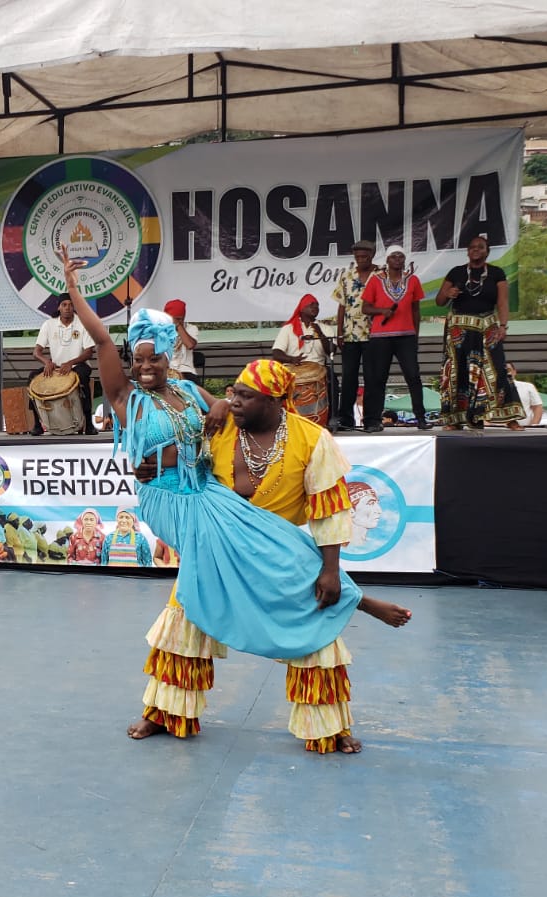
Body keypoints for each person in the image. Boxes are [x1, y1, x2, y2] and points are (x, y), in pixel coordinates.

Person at [53, 244, 376, 750]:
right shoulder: (124, 397)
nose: (144, 367)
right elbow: (99, 340)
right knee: (275, 554)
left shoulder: (184, 389)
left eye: (153, 357)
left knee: (200, 597)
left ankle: (177, 712)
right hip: (174, 499)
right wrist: (75, 288)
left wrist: (223, 407)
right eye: (137, 358)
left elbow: (224, 402)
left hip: (205, 491)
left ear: (168, 355)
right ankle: (363, 600)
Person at [197, 359, 413, 752]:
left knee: (318, 634)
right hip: (219, 551)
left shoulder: (312, 439)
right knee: (184, 619)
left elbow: (328, 511)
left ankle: (329, 727)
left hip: (278, 552)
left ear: (276, 401)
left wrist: (330, 571)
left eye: (245, 396)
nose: (235, 402)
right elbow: (172, 412)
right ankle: (162, 713)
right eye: (232, 394)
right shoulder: (219, 426)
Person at [437, 235, 524, 430]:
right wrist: (447, 293)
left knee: (497, 369)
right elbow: (439, 301)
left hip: (487, 326)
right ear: (467, 251)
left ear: (487, 251)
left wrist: (503, 326)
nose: (476, 250)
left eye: (480, 247)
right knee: (457, 372)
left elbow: (502, 302)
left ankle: (510, 418)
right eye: (472, 247)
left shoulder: (496, 273)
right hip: (459, 327)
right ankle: (455, 419)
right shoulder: (456, 272)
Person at [360, 247, 428, 432]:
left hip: (406, 336)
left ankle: (421, 417)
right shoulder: (376, 280)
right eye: (394, 257)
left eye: (401, 256)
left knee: (413, 376)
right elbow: (365, 308)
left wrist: (416, 335)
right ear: (387, 260)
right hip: (381, 337)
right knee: (377, 378)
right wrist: (382, 311)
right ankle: (374, 420)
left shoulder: (412, 280)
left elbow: (416, 310)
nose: (398, 259)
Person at [29, 295, 95, 435]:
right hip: (56, 367)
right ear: (59, 307)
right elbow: (36, 352)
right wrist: (47, 362)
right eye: (64, 304)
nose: (67, 308)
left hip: (78, 364)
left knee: (82, 377)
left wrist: (71, 363)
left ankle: (88, 423)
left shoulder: (83, 323)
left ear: (74, 307)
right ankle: (37, 424)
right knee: (32, 378)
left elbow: (89, 352)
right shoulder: (49, 324)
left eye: (70, 305)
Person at [332, 240, 379, 431]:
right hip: (351, 334)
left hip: (374, 334)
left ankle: (371, 419)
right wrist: (339, 332)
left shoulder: (381, 274)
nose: (360, 260)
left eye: (364, 256)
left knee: (372, 377)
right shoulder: (347, 276)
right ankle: (346, 419)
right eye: (357, 257)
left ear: (372, 255)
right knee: (349, 377)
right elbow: (341, 305)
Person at [269, 294, 334, 426]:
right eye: (312, 305)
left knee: (333, 380)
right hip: (292, 367)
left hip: (318, 367)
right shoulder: (288, 329)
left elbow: (332, 351)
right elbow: (276, 353)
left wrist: (320, 334)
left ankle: (330, 419)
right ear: (302, 308)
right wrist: (291, 359)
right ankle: (277, 420)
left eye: (317, 305)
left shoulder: (326, 328)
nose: (315, 307)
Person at [165, 300, 200, 380]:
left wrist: (178, 325)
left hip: (186, 371)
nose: (179, 321)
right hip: (165, 371)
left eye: (181, 319)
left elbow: (190, 345)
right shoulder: (160, 330)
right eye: (175, 319)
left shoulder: (191, 328)